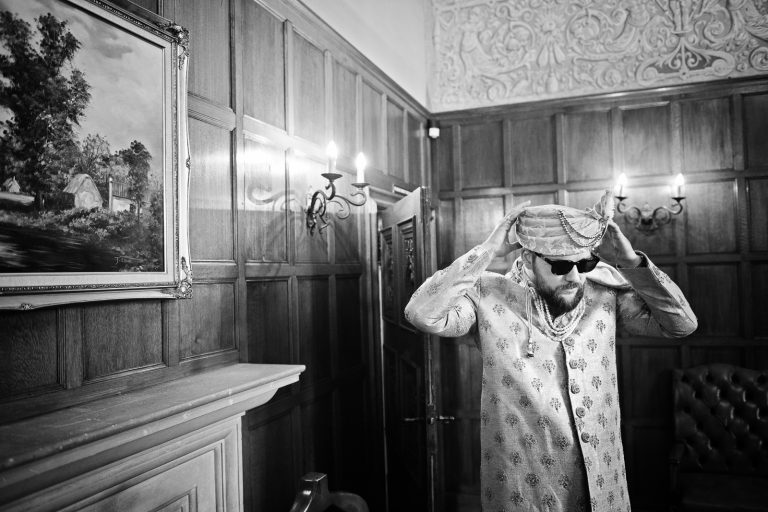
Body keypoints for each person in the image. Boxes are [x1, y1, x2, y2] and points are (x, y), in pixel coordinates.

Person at [404, 191, 697, 512]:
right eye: (559, 266)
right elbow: (422, 314)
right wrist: (486, 252)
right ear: (528, 260)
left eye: (583, 263)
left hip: (601, 479)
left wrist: (631, 264)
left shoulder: (604, 293)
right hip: (523, 483)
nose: (574, 276)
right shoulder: (486, 295)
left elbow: (681, 325)